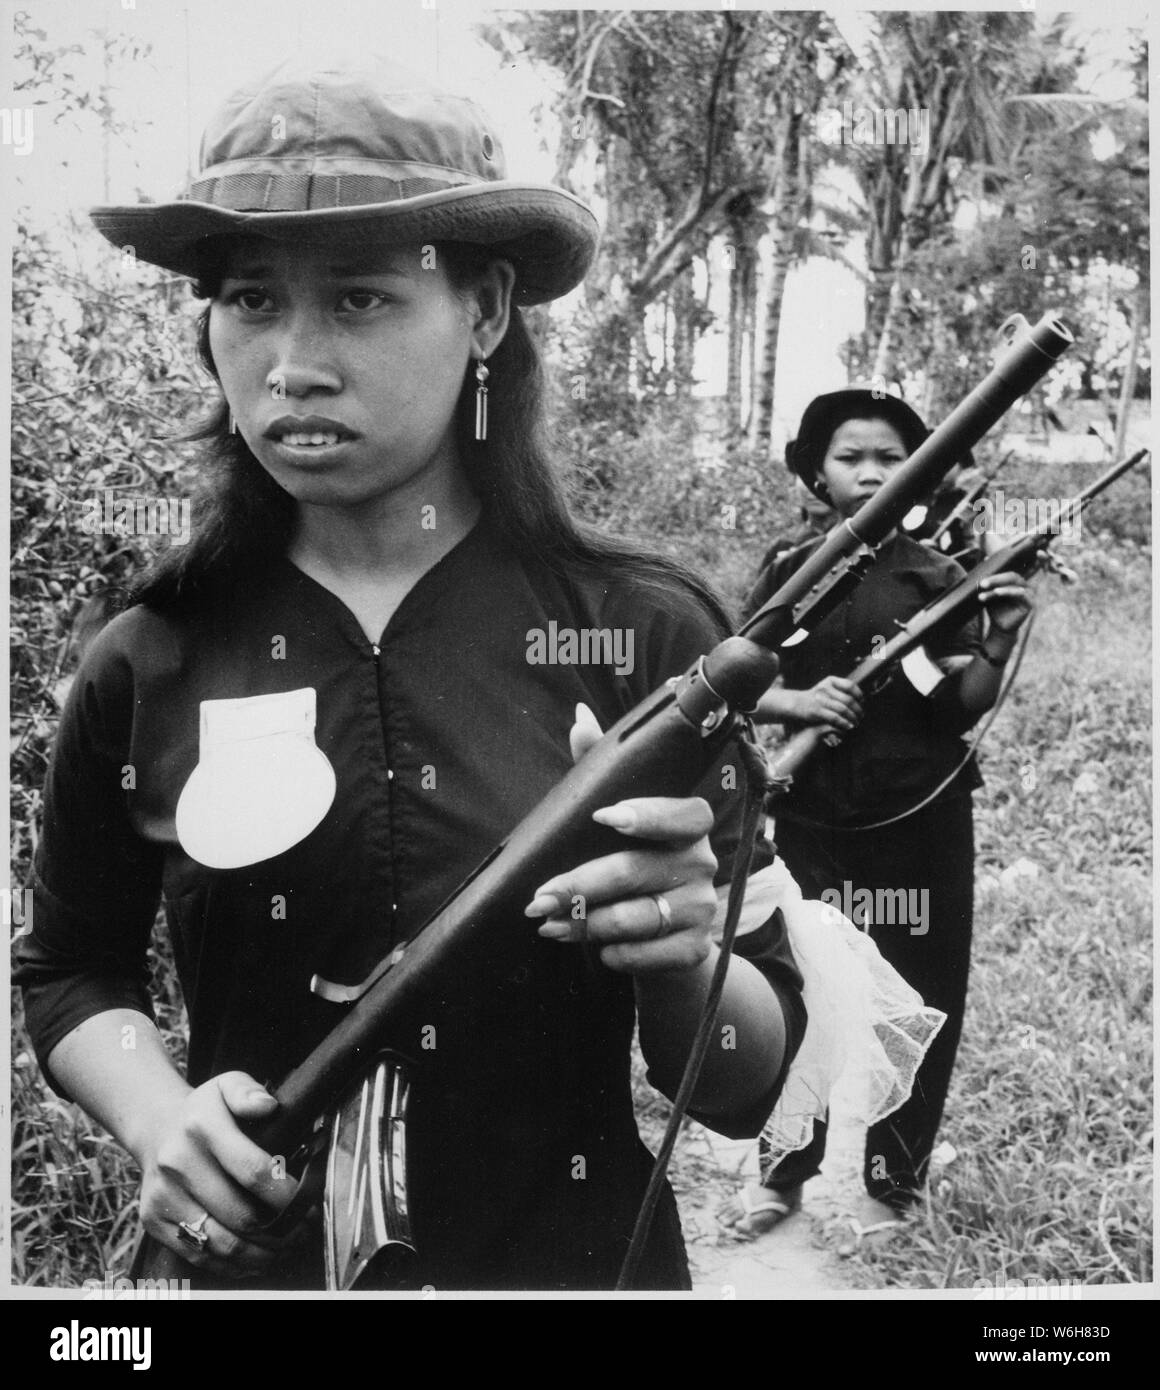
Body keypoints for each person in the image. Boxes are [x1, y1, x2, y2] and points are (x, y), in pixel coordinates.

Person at [14, 58, 807, 1292]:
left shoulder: (641, 632)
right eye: (249, 299)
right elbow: (69, 969)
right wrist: (159, 1117)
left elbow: (744, 1081)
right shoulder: (150, 652)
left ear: (484, 309)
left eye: (363, 299)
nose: (292, 363)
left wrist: (682, 951)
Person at [718, 389, 1032, 1241]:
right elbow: (738, 677)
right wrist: (802, 700)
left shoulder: (937, 578)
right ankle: (784, 1174)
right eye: (851, 457)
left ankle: (897, 1181)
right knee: (805, 986)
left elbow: (958, 702)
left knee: (924, 991)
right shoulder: (794, 568)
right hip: (816, 818)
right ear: (816, 473)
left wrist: (997, 637)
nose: (871, 473)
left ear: (919, 472)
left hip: (920, 821)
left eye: (891, 458)